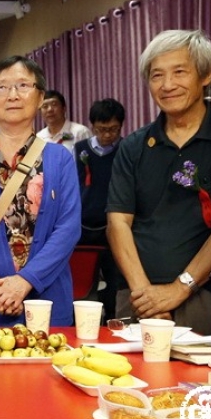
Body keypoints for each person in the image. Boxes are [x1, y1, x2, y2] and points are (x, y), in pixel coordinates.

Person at [106, 30, 211, 335]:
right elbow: (118, 222)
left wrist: (180, 288)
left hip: (206, 297)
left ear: (205, 75)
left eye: (179, 72)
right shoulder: (134, 146)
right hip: (136, 296)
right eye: (156, 75)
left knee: (200, 383)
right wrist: (145, 297)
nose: (167, 85)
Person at [0, 56, 81, 328]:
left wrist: (24, 281)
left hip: (45, 304)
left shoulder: (59, 158)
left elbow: (68, 228)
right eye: (3, 87)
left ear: (40, 96)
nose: (13, 95)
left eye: (23, 85)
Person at [74, 98, 126, 320]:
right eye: (101, 130)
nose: (107, 135)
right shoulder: (80, 149)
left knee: (114, 279)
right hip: (84, 225)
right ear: (92, 127)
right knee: (83, 282)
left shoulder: (126, 149)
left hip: (114, 224)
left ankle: (113, 320)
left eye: (113, 130)